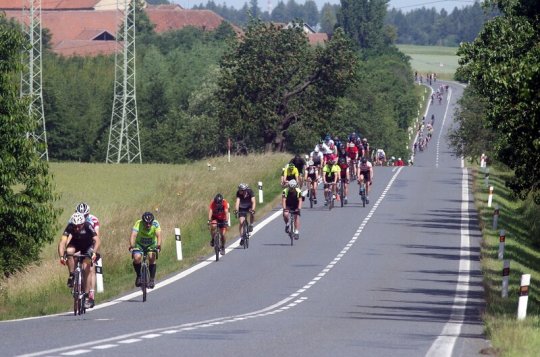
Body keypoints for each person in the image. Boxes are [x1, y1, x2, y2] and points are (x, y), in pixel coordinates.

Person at [58, 212, 100, 309]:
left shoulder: (88, 226)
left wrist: (94, 252)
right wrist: (61, 256)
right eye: (75, 226)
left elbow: (97, 240)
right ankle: (72, 275)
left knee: (86, 268)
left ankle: (86, 295)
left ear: (82, 223)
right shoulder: (70, 227)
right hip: (75, 245)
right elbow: (62, 242)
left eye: (79, 226)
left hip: (88, 246)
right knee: (69, 251)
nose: (76, 228)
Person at [74, 202, 100, 308]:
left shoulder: (93, 220)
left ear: (88, 214)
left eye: (84, 215)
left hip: (91, 244)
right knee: (75, 258)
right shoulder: (73, 219)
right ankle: (75, 278)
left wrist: (93, 251)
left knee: (90, 268)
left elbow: (97, 236)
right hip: (79, 243)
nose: (82, 217)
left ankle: (91, 296)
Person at [129, 211, 162, 289]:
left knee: (151, 257)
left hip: (151, 244)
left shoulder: (155, 224)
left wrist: (158, 245)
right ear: (142, 222)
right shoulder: (138, 223)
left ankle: (151, 279)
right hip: (139, 244)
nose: (148, 225)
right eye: (146, 223)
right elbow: (133, 235)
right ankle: (139, 276)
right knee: (137, 257)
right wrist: (132, 246)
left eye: (150, 223)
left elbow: (159, 235)